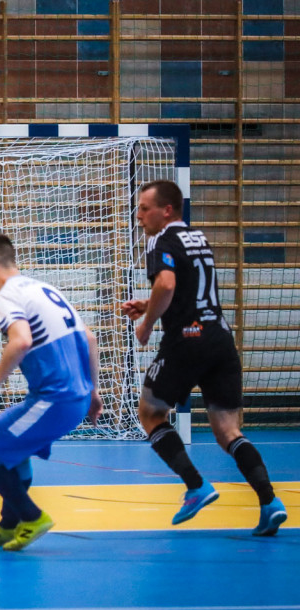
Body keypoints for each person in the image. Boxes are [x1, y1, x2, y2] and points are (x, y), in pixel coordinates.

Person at [121, 179, 287, 535]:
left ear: (167, 210)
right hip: (220, 339)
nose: (139, 216)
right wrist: (148, 304)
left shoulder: (160, 240)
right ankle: (270, 502)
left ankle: (196, 485)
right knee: (228, 431)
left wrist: (147, 323)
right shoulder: (198, 239)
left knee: (150, 412)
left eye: (145, 208)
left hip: (187, 339)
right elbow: (185, 289)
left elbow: (166, 284)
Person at [0, 233, 102, 551]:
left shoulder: (6, 297)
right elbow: (91, 339)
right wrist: (94, 393)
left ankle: (32, 517)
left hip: (56, 399)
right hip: (77, 397)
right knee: (14, 452)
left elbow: (21, 341)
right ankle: (7, 525)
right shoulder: (44, 288)